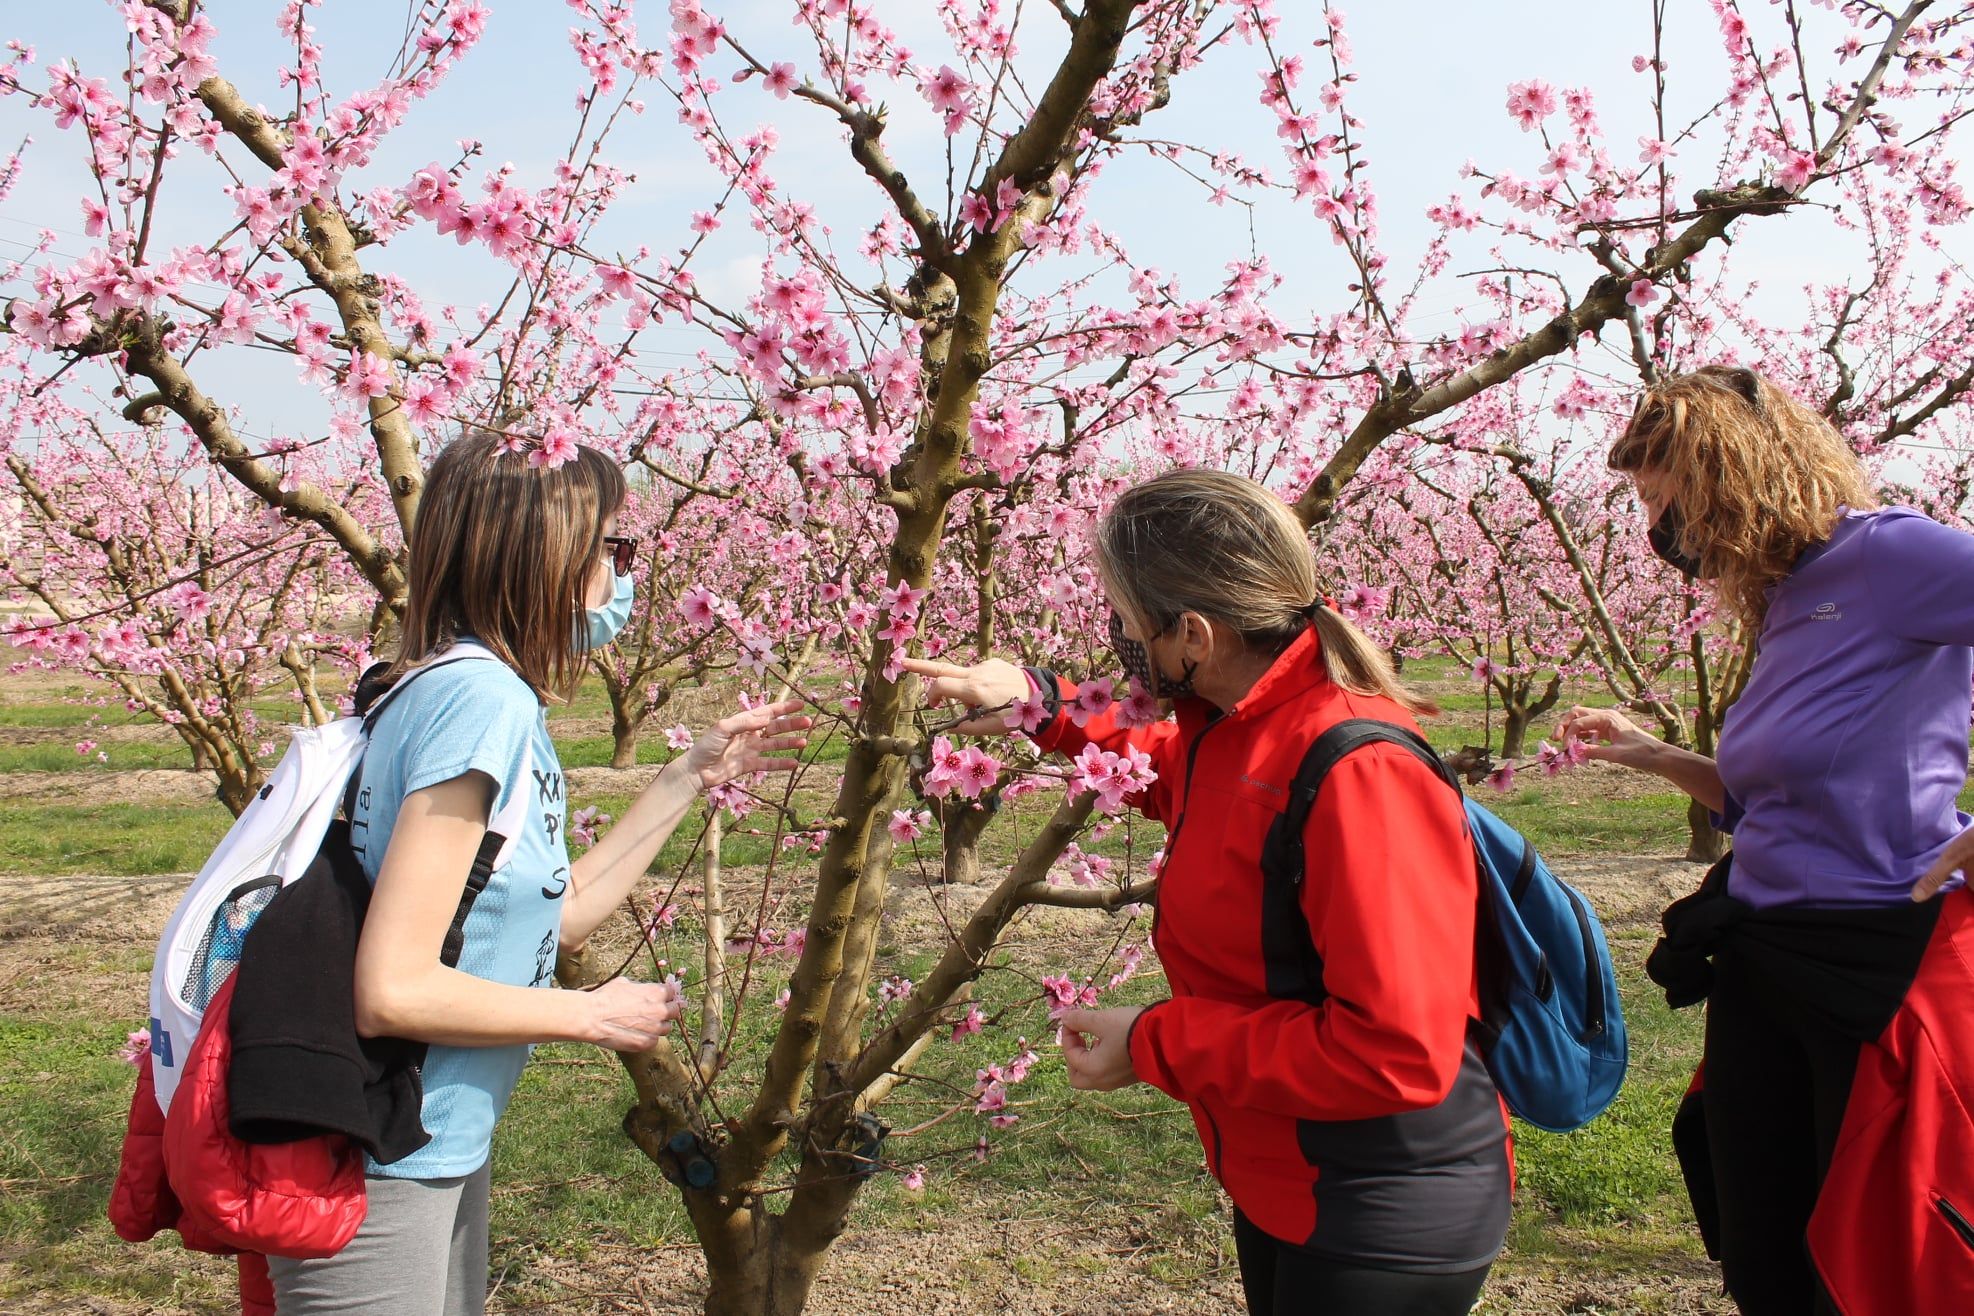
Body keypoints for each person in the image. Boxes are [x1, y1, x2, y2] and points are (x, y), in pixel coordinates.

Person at [904, 469, 1511, 1316]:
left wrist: (1154, 1042)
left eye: (1124, 620)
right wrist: (1037, 704)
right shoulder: (1238, 729)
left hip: (1379, 1204)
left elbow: (1396, 1052)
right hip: (1290, 1179)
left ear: (1192, 634)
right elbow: (1157, 766)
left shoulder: (1356, 772)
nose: (1117, 636)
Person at [268, 429, 810, 1314]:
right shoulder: (480, 704)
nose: (621, 575)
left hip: (429, 1135)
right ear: (546, 558)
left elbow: (539, 921)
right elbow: (393, 988)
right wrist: (592, 1014)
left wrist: (690, 776)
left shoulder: (449, 684)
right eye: (612, 548)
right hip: (379, 1147)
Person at [1559, 365, 1974, 1314]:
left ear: (1735, 474)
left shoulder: (1890, 558)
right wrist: (1653, 753)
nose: (1665, 535)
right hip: (1764, 959)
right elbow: (1778, 800)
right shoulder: (1788, 595)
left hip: (1877, 964)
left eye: (1673, 504)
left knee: (1870, 1266)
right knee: (1762, 1252)